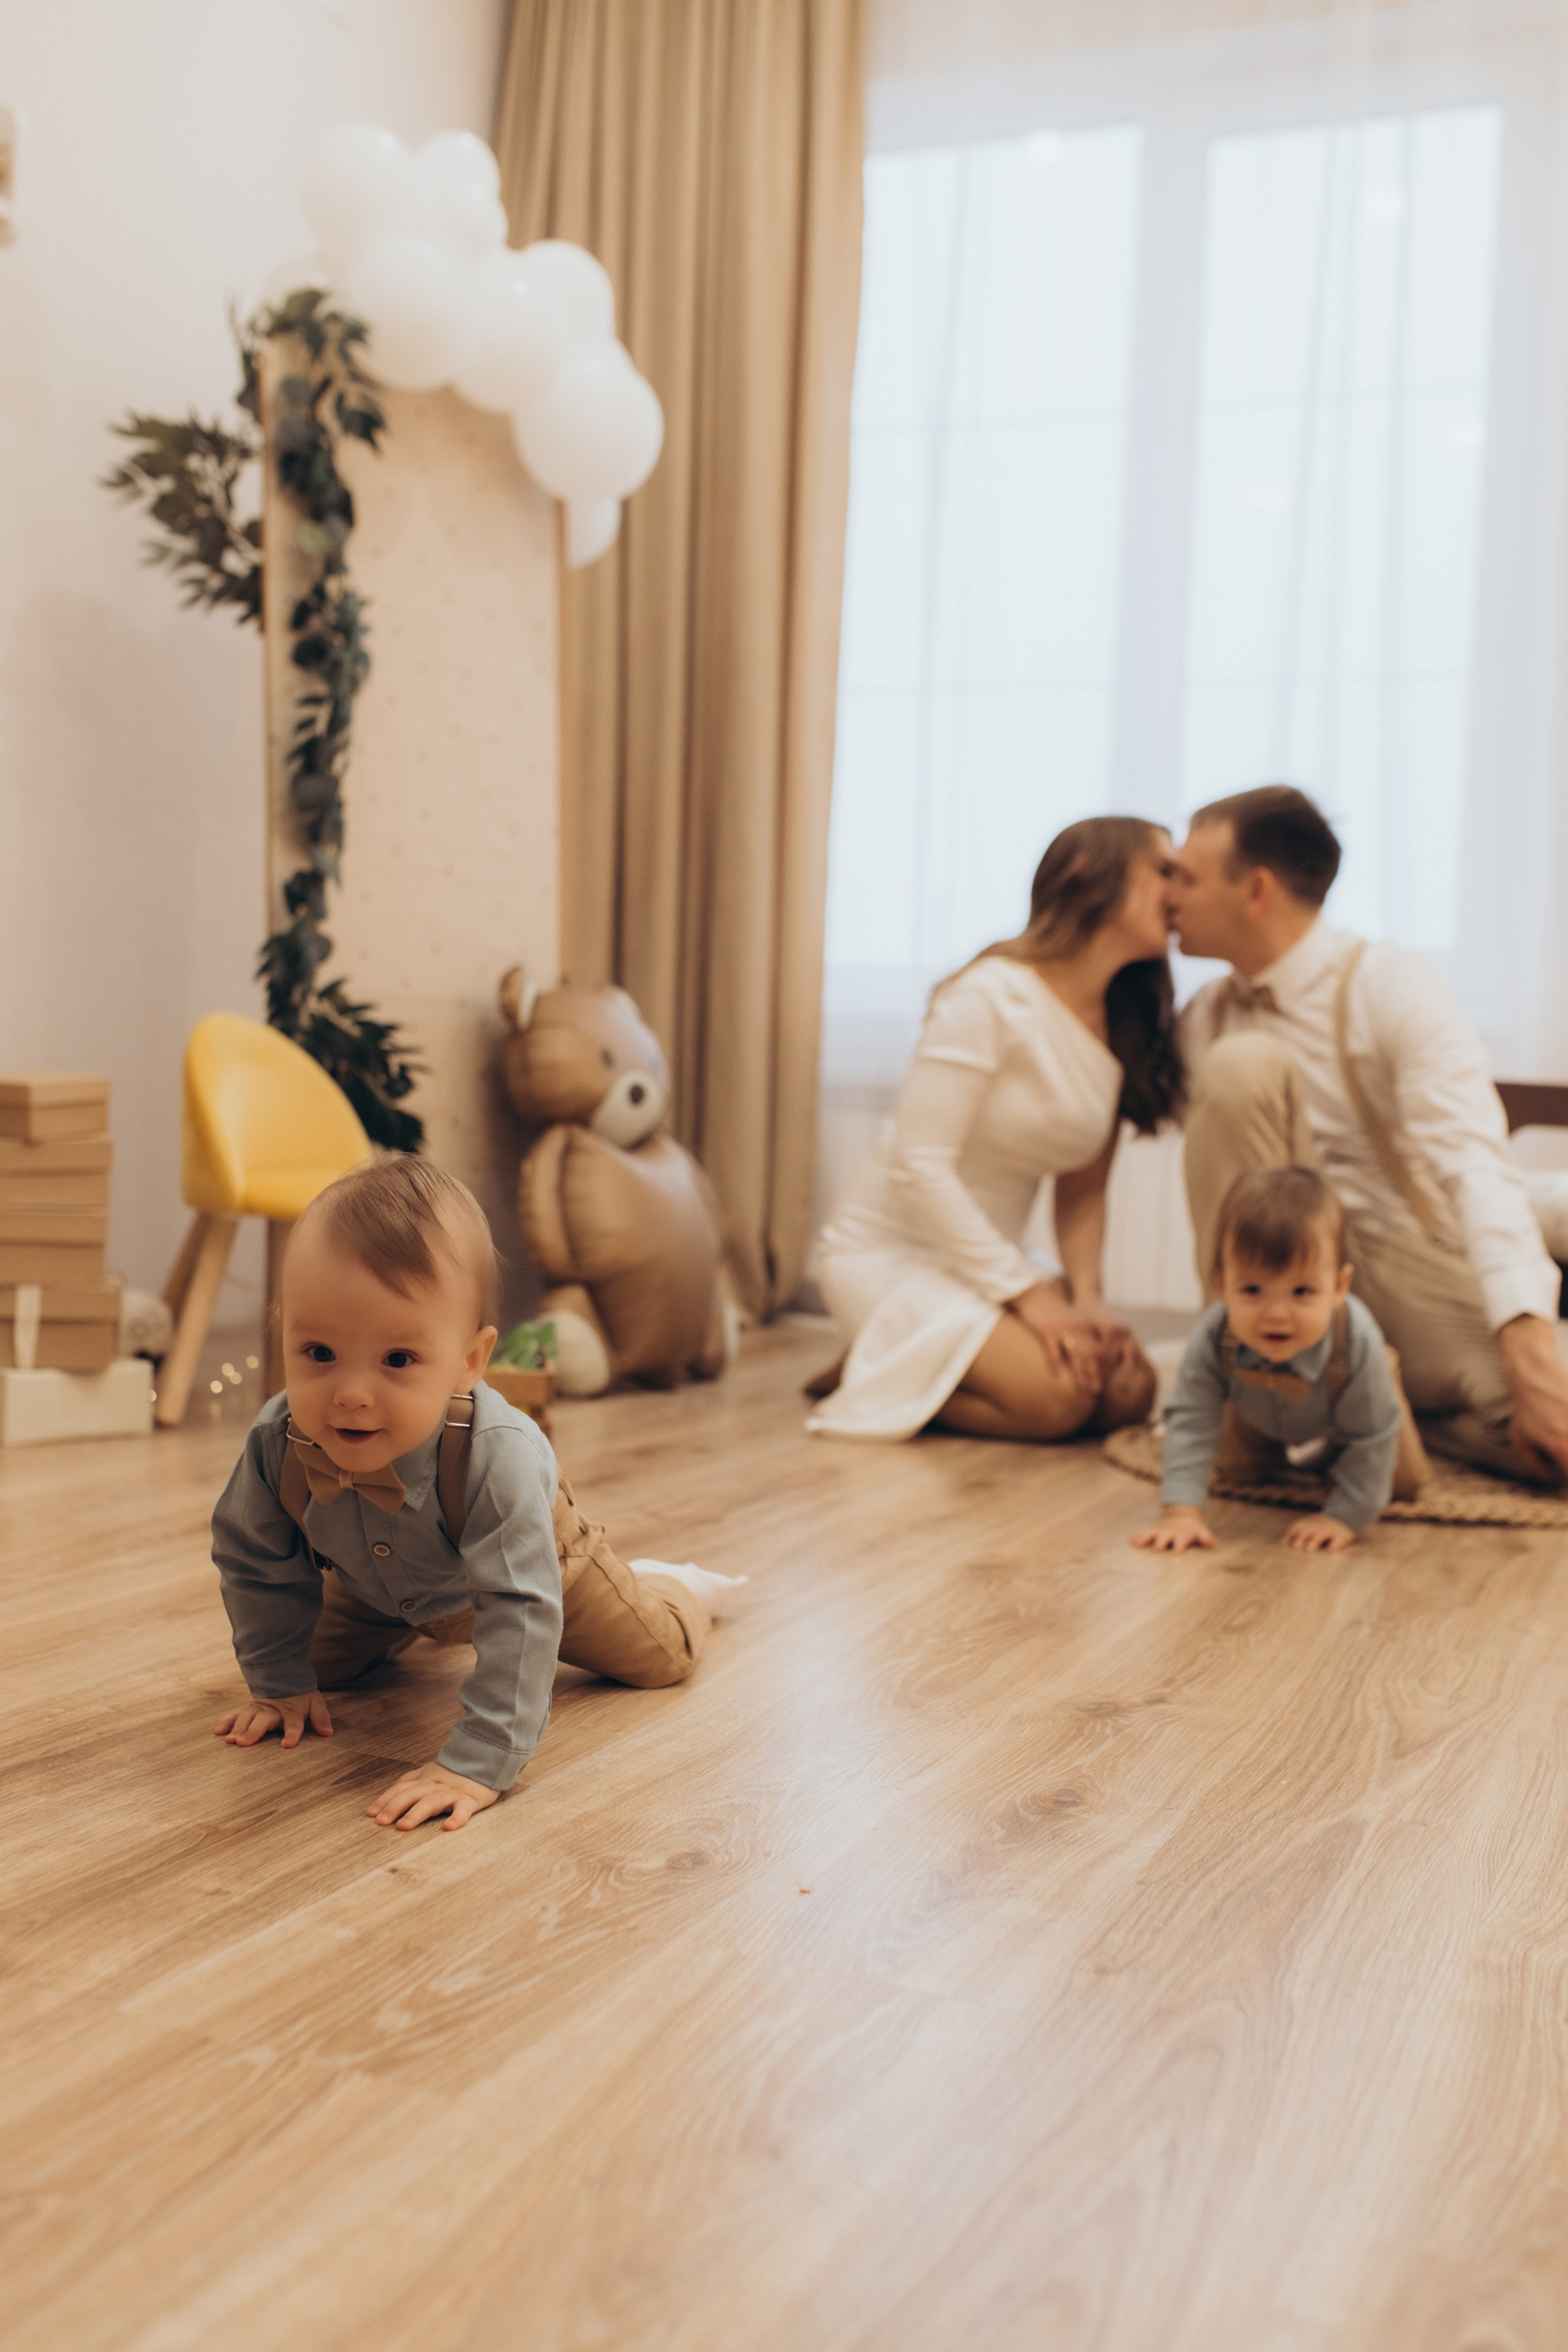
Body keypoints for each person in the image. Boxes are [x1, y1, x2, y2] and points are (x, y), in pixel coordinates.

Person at [210, 1156, 742, 1832]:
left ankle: (675, 1584)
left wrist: (480, 1758)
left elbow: (517, 1609)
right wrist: (279, 1683)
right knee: (309, 1671)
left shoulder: (498, 1455)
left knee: (659, 1659)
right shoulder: (276, 1442)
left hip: (543, 1573)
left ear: (470, 1360)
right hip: (376, 1584)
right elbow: (255, 1562)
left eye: (398, 1360)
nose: (349, 1393)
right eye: (318, 1352)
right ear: (281, 1329)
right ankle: (403, 1634)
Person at [1173, 784, 1568, 1483]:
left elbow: (1472, 1159)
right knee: (1240, 1068)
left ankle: (1377, 1406)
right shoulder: (1202, 1018)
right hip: (1294, 1284)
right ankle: (1268, 1398)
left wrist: (1530, 1355)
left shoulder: (1388, 981)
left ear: (1255, 889)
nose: (1170, 896)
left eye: (1187, 877)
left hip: (1412, 1259)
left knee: (1546, 1431)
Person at [808, 816, 1185, 1444]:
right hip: (889, 1253)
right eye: (1164, 871)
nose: (1180, 894)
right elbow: (918, 1164)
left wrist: (1086, 1300)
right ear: (1089, 875)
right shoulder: (990, 995)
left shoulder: (1124, 1020)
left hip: (993, 1267)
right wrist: (1030, 1299)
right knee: (1059, 1401)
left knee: (1127, 1392)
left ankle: (908, 1360)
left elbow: (1083, 1187)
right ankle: (874, 1365)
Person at [1133, 1166, 1428, 1556]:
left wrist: (1345, 1517)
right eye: (1252, 1290)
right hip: (1254, 1408)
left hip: (1348, 1408)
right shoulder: (1214, 1337)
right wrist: (1181, 1512)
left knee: (1400, 1481)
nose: (1276, 1315)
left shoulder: (1356, 1342)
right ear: (1222, 1285)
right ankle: (1277, 1454)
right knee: (1236, 1472)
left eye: (1302, 1291)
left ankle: (1335, 1456)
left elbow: (1372, 1438)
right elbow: (1191, 1421)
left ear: (1339, 1287)